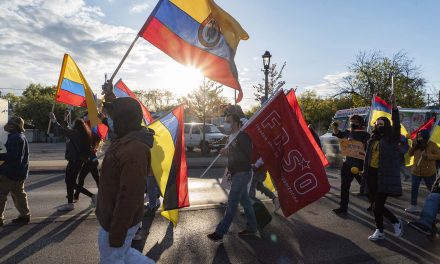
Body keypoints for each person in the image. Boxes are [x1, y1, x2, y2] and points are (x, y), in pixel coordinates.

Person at [96, 82, 155, 263]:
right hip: (112, 219)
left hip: (117, 223)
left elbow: (129, 197)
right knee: (123, 255)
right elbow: (123, 112)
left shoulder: (133, 150)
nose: (109, 121)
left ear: (123, 120)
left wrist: (117, 232)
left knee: (112, 259)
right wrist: (109, 94)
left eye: (113, 118)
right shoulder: (125, 138)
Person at [207, 113, 257, 242]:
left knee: (232, 203)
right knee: (245, 202)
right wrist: (227, 152)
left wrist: (229, 152)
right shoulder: (231, 136)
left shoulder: (243, 136)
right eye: (225, 121)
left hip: (242, 173)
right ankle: (252, 227)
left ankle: (220, 232)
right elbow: (234, 154)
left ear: (236, 123)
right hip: (237, 173)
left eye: (228, 121)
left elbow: (247, 156)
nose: (226, 124)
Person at [363, 94, 403, 241]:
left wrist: (394, 106)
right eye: (377, 124)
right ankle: (380, 230)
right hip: (371, 174)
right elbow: (368, 159)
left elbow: (397, 123)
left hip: (384, 175)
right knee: (374, 206)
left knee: (378, 205)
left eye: (382, 124)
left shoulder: (391, 138)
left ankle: (395, 221)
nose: (379, 126)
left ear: (387, 125)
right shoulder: (372, 139)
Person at [49, 113, 96, 211]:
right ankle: (70, 203)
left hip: (75, 161)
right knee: (69, 182)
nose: (72, 124)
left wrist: (54, 120)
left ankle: (92, 196)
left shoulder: (75, 133)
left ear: (76, 125)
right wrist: (66, 121)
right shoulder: (80, 133)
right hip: (75, 160)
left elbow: (62, 131)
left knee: (70, 182)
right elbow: (67, 129)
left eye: (73, 123)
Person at [332, 115, 370, 214]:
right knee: (344, 186)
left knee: (365, 186)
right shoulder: (348, 132)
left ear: (360, 123)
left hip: (359, 165)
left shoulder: (365, 135)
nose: (353, 123)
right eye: (351, 121)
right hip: (347, 164)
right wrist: (335, 127)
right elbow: (339, 134)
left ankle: (374, 204)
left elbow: (367, 149)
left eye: (355, 122)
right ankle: (343, 208)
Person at [0, 117, 30, 227]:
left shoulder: (14, 138)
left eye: (9, 123)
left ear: (13, 126)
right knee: (19, 194)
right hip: (19, 172)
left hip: (9, 172)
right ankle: (25, 215)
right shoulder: (21, 137)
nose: (6, 125)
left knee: (1, 194)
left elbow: (10, 156)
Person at [405, 129, 440, 213]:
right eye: (418, 136)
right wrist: (413, 146)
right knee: (414, 189)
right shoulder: (417, 144)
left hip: (429, 172)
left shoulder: (432, 145)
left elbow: (439, 156)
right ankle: (413, 206)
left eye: (420, 136)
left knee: (432, 189)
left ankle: (437, 206)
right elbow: (410, 154)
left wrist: (428, 155)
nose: (419, 137)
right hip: (416, 171)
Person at [74, 113, 101, 202]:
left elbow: (96, 139)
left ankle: (76, 195)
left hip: (90, 160)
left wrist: (94, 148)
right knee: (96, 178)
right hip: (92, 160)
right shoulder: (87, 130)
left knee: (82, 177)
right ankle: (103, 194)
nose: (84, 117)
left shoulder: (90, 130)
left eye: (86, 116)